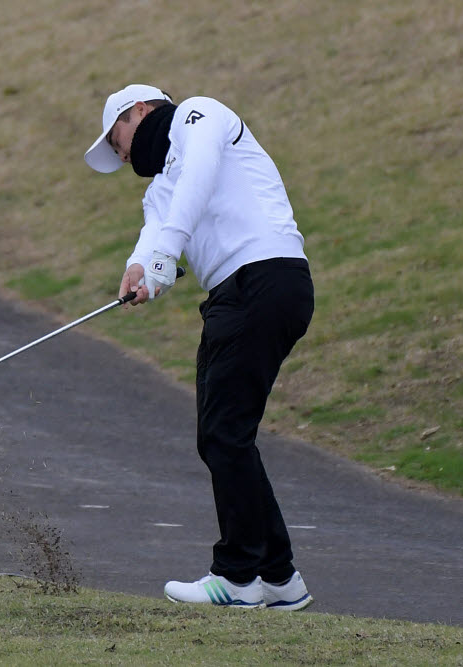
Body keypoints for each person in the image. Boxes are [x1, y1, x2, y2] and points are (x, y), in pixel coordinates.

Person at [84, 84, 315, 610]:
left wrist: (165, 251)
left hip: (266, 277)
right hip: (234, 296)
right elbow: (158, 228)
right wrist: (141, 269)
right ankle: (279, 578)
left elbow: (199, 176)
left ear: (139, 110)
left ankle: (236, 577)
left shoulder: (199, 115)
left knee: (224, 434)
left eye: (115, 137)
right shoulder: (160, 186)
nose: (119, 154)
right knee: (221, 436)